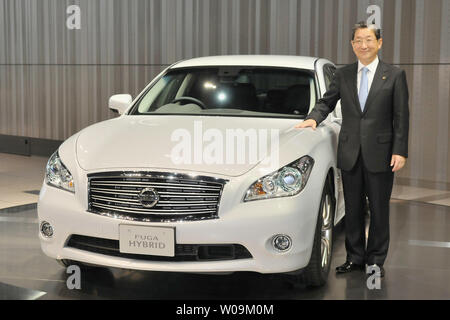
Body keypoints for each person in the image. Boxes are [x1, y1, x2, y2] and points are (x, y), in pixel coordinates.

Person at [295, 22, 409, 278]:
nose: (363, 45)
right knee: (353, 210)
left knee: (379, 210)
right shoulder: (343, 74)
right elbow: (326, 101)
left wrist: (400, 151)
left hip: (381, 154)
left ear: (379, 43)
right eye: (358, 40)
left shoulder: (394, 75)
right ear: (352, 45)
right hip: (350, 152)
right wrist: (313, 118)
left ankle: (375, 260)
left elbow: (401, 116)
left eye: (368, 39)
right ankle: (355, 258)